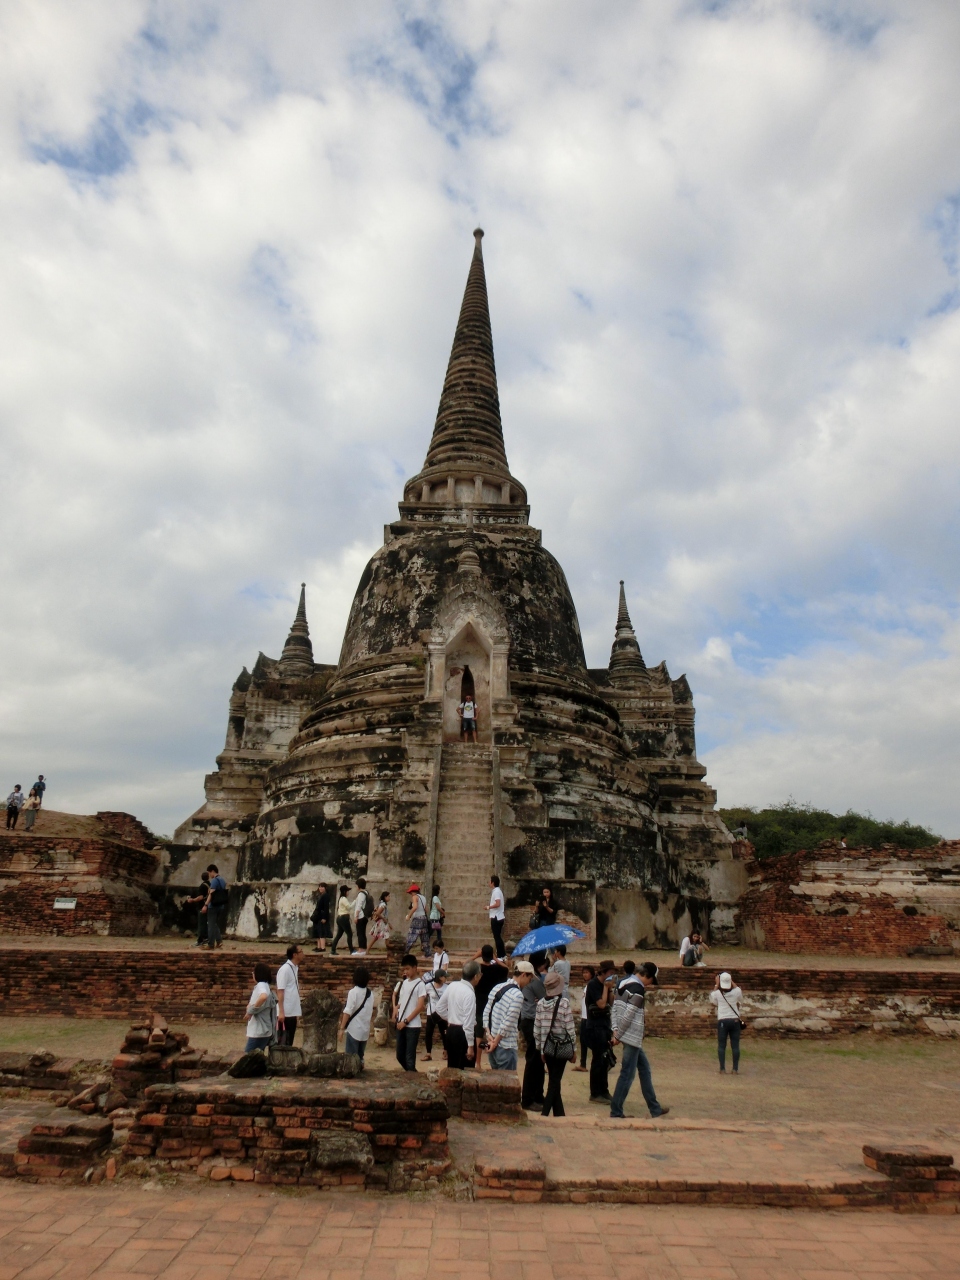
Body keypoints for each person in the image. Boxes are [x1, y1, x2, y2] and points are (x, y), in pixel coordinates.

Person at [609, 961, 669, 1119]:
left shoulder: (622, 982)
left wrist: (615, 1029)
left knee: (644, 1069)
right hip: (631, 1036)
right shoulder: (638, 989)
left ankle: (654, 1108)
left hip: (626, 1034)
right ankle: (616, 1111)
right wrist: (618, 1035)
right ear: (647, 976)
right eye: (651, 980)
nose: (650, 984)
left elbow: (614, 1008)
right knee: (627, 1075)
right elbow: (629, 1014)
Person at [535, 969, 576, 1116]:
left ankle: (559, 1114)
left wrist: (541, 1049)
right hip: (562, 1046)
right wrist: (574, 1049)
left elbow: (537, 1029)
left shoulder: (540, 1004)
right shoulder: (563, 1003)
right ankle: (545, 1113)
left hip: (547, 1047)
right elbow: (569, 1028)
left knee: (554, 1079)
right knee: (554, 1082)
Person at [483, 960, 534, 1072]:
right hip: (506, 1046)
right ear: (523, 975)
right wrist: (496, 1041)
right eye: (529, 979)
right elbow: (508, 1022)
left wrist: (489, 1036)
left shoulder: (497, 987)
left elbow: (486, 1012)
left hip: (492, 1042)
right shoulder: (518, 995)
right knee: (507, 1081)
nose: (529, 982)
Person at [584, 959, 617, 1102]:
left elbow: (611, 1002)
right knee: (598, 1059)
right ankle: (595, 1092)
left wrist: (610, 988)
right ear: (603, 972)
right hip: (595, 1026)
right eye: (610, 972)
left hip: (604, 1025)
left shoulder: (606, 986)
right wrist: (605, 987)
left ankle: (604, 1090)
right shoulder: (593, 985)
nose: (611, 975)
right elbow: (601, 1004)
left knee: (605, 1060)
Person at [437, 961, 481, 1069]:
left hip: (452, 1031)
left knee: (452, 1067)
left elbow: (439, 1008)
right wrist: (470, 1046)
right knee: (465, 1069)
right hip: (463, 1034)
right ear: (476, 976)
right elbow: (468, 1022)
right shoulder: (469, 993)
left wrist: (451, 1018)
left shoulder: (452, 986)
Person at [519, 951, 549, 1109]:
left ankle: (537, 1095)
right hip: (532, 1021)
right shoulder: (535, 981)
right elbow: (547, 998)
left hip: (530, 1020)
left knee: (537, 1060)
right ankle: (529, 1098)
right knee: (534, 1060)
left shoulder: (535, 980)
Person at [473, 945, 508, 1069]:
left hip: (479, 1004)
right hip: (493, 1005)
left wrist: (475, 956)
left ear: (482, 955)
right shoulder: (497, 969)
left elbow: (466, 965)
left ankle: (478, 1062)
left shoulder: (478, 969)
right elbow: (506, 968)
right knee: (492, 1033)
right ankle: (494, 1062)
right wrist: (496, 958)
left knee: (478, 1034)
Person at [392, 955, 427, 1071]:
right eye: (404, 969)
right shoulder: (404, 983)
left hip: (412, 1025)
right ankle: (412, 1074)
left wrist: (406, 1021)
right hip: (401, 1022)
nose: (405, 971)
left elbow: (420, 1006)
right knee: (399, 1055)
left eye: (407, 969)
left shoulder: (420, 985)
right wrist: (396, 1008)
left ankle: (411, 1075)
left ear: (414, 968)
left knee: (409, 1057)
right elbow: (402, 1001)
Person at [339, 965, 374, 1067]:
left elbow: (347, 1011)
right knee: (360, 1056)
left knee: (350, 1057)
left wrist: (341, 1028)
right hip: (365, 1030)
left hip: (354, 1029)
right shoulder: (370, 994)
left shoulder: (353, 992)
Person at [710, 971, 745, 1074]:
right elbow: (739, 993)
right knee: (735, 1045)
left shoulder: (717, 993)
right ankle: (735, 1069)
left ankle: (722, 1069)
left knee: (722, 1045)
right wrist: (730, 981)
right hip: (734, 1020)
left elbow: (713, 1000)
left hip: (723, 1021)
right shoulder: (736, 992)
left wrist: (717, 984)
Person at [244, 962, 277, 1053]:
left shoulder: (261, 985)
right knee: (258, 1057)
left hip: (259, 1031)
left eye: (253, 972)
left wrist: (251, 1010)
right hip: (264, 1030)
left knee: (249, 1056)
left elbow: (263, 996)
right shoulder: (265, 985)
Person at [276, 944, 303, 1046]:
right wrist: (281, 1011)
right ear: (295, 955)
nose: (303, 954)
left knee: (289, 1042)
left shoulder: (295, 968)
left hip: (291, 1012)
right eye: (301, 951)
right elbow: (280, 990)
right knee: (282, 1042)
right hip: (285, 1013)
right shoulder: (285, 969)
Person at [572, 963, 596, 1072]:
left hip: (589, 1017)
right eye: (583, 973)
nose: (585, 975)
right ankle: (583, 1063)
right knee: (583, 1040)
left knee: (588, 1040)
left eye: (587, 972)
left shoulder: (592, 985)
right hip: (584, 1016)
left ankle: (601, 1058)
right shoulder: (588, 985)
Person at [421, 968, 448, 1061]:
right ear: (440, 977)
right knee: (429, 1032)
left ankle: (445, 1051)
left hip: (442, 1013)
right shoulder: (429, 986)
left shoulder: (447, 987)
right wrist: (423, 1004)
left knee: (444, 1033)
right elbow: (422, 996)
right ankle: (428, 1053)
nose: (446, 978)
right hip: (431, 1012)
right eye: (444, 977)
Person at [404, 884, 431, 957]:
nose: (410, 894)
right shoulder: (423, 898)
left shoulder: (415, 897)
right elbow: (426, 909)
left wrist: (409, 915)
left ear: (413, 892)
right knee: (424, 936)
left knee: (412, 935)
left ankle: (405, 951)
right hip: (424, 918)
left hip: (417, 918)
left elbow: (415, 907)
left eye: (411, 893)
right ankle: (428, 953)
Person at [205, 864, 228, 948]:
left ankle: (210, 944)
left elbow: (211, 894)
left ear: (212, 871)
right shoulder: (222, 880)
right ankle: (219, 941)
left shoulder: (214, 881)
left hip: (213, 905)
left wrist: (206, 904)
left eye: (209, 873)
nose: (209, 875)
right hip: (220, 905)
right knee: (214, 924)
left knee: (211, 925)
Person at [186, 871, 210, 947]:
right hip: (209, 906)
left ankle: (200, 940)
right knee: (206, 923)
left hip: (202, 907)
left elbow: (200, 897)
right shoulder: (210, 885)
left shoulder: (202, 886)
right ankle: (206, 938)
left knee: (201, 924)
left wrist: (192, 900)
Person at [331, 885, 354, 955]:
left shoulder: (341, 898)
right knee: (349, 934)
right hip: (344, 918)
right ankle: (351, 950)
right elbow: (349, 907)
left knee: (339, 934)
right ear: (344, 892)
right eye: (347, 891)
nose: (348, 893)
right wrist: (355, 901)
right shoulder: (344, 899)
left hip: (340, 918)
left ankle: (333, 949)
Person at [487, 875, 506, 959]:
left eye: (490, 881)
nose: (489, 883)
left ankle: (501, 955)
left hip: (496, 917)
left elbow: (498, 903)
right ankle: (502, 954)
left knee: (497, 937)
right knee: (497, 937)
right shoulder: (497, 891)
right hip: (498, 916)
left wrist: (488, 907)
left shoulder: (496, 892)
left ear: (493, 883)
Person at [352, 878, 371, 955]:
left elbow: (359, 906)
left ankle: (361, 950)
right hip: (365, 916)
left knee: (360, 933)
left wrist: (356, 916)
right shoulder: (366, 893)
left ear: (359, 885)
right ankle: (363, 949)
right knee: (362, 933)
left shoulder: (361, 894)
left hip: (361, 916)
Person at [311, 883, 331, 953]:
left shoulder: (326, 896)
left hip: (322, 916)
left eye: (322, 887)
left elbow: (326, 908)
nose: (320, 888)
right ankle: (319, 946)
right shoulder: (321, 895)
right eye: (320, 887)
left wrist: (325, 918)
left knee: (322, 932)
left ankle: (323, 947)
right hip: (318, 916)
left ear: (325, 888)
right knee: (318, 932)